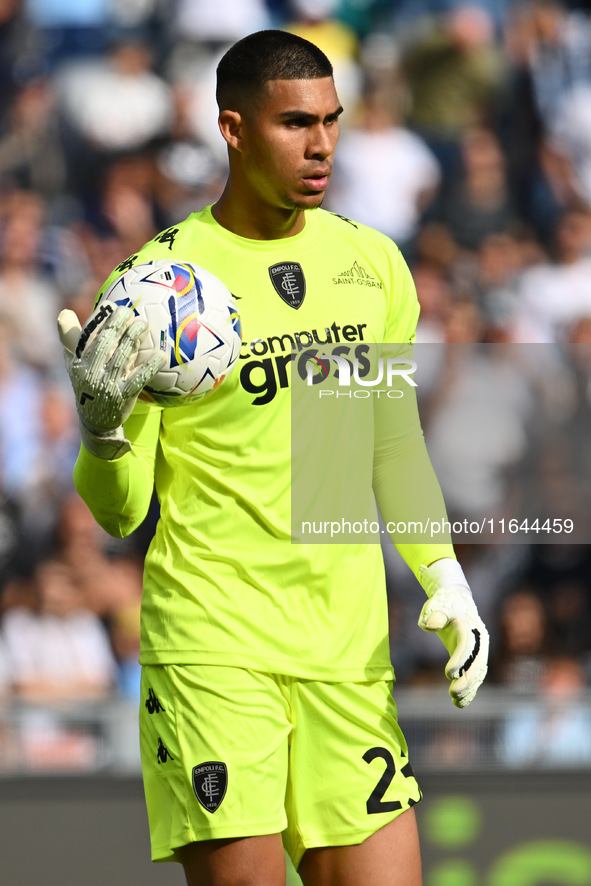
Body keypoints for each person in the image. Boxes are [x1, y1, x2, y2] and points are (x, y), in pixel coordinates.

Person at [57, 29, 489, 886]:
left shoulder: (369, 263)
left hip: (346, 648)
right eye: (295, 123)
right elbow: (118, 510)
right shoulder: (155, 292)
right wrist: (104, 432)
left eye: (331, 120)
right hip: (214, 644)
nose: (321, 143)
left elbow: (390, 440)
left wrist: (443, 575)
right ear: (233, 128)